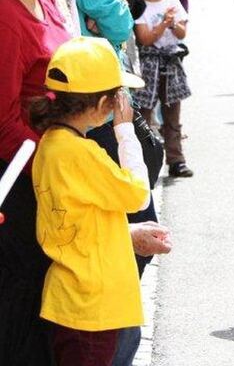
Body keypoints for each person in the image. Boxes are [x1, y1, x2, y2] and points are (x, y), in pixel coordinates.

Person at [0, 0, 96, 365]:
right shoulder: (5, 12)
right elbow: (2, 126)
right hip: (24, 192)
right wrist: (62, 167)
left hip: (52, 182)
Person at [30, 37, 150, 366]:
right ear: (100, 105)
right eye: (116, 99)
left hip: (70, 298)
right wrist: (125, 131)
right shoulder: (82, 153)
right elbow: (138, 192)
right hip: (94, 305)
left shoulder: (51, 144)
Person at [134, 0, 193, 178]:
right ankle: (147, 163)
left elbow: (182, 33)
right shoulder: (139, 4)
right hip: (149, 61)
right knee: (145, 114)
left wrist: (173, 23)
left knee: (172, 116)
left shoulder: (173, 2)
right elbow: (145, 38)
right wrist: (162, 25)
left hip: (170, 60)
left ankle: (176, 160)